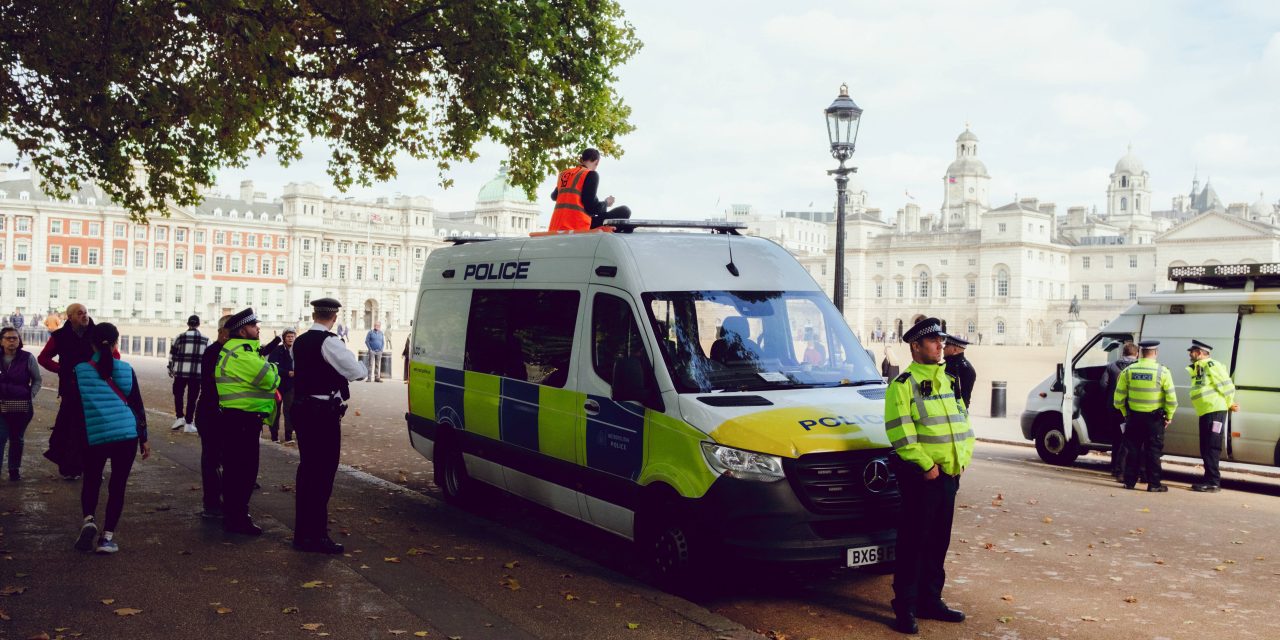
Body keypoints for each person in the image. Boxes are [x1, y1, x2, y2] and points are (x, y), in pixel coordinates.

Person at [883, 317, 973, 634]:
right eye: (933, 341)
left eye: (941, 340)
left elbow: (962, 422)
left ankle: (930, 600)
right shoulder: (904, 384)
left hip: (949, 474)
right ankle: (904, 606)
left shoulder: (948, 379)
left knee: (938, 542)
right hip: (923, 477)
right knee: (914, 542)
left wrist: (962, 457)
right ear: (916, 346)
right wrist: (925, 464)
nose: (940, 346)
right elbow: (901, 432)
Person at [291, 298, 367, 553]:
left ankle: (302, 533)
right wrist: (362, 364)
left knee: (307, 472)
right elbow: (356, 372)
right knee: (323, 474)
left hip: (302, 409)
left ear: (314, 314)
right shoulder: (330, 342)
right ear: (334, 317)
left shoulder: (300, 341)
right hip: (322, 414)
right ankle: (317, 535)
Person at [68, 323, 150, 554]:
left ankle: (89, 520)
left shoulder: (80, 370)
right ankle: (107, 538)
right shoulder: (126, 369)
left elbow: (73, 408)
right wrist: (143, 438)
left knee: (92, 480)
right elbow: (137, 405)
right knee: (118, 485)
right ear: (117, 342)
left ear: (92, 343)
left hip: (94, 435)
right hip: (126, 434)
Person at [215, 308, 281, 535]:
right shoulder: (241, 354)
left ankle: (234, 515)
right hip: (242, 420)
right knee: (244, 472)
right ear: (243, 331)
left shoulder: (237, 351)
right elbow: (270, 379)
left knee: (236, 471)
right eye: (254, 326)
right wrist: (274, 367)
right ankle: (238, 518)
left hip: (237, 419)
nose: (258, 328)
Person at [39, 303, 116, 480]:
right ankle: (71, 468)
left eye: (86, 312)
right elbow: (43, 358)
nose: (85, 316)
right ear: (70, 317)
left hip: (95, 389)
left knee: (94, 429)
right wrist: (62, 369)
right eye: (79, 313)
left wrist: (103, 369)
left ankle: (93, 468)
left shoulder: (98, 333)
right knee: (70, 430)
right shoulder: (59, 336)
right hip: (71, 388)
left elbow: (115, 355)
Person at [1113, 340, 1177, 492]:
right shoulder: (1163, 372)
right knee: (1153, 451)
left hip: (1134, 418)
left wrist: (1126, 414)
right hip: (1154, 420)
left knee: (1132, 449)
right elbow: (1172, 399)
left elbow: (1118, 399)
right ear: (1155, 353)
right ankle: (1154, 484)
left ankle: (1129, 482)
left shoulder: (1128, 371)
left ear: (1141, 353)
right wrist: (1169, 416)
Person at [1186, 340, 1238, 493]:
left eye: (1192, 351)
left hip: (1215, 411)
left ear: (1200, 353)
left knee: (1211, 447)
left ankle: (1213, 482)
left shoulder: (1211, 365)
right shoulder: (1199, 367)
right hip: (1207, 411)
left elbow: (1227, 385)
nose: (1190, 354)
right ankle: (1209, 479)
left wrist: (1230, 403)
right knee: (1206, 447)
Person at [195, 315, 232, 519]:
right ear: (222, 332)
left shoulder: (223, 351)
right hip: (210, 414)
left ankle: (220, 500)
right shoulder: (213, 352)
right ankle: (211, 503)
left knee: (221, 458)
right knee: (210, 460)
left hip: (217, 413)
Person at [548, 148, 633, 231]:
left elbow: (554, 196)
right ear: (597, 162)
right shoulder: (590, 174)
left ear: (581, 159)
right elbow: (591, 207)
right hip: (578, 225)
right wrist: (606, 203)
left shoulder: (564, 174)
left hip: (556, 226)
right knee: (625, 211)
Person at [0, 327, 41, 481]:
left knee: (17, 438)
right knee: (1, 437)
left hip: (22, 406)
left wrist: (30, 396)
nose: (12, 341)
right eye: (8, 338)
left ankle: (14, 469)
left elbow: (37, 380)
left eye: (15, 338)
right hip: (0, 405)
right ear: (1, 341)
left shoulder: (27, 358)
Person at [1099, 342, 1138, 479]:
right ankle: (1125, 468)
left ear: (1122, 353)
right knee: (1129, 440)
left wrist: (1109, 398)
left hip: (1114, 407)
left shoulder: (1112, 366)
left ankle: (1114, 467)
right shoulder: (1137, 368)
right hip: (1130, 409)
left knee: (1116, 439)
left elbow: (1103, 385)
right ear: (1136, 354)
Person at [167, 315, 208, 433]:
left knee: (178, 394)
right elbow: (208, 359)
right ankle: (189, 423)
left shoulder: (179, 337)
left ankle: (179, 417)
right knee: (192, 398)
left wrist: (170, 370)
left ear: (188, 324)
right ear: (199, 324)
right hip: (196, 374)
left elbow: (172, 356)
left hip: (180, 372)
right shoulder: (206, 339)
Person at [267, 329, 297, 443]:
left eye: (292, 336)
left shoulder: (296, 350)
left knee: (289, 411)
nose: (290, 338)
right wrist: (286, 373)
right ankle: (274, 436)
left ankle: (288, 436)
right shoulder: (277, 350)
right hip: (277, 386)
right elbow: (272, 366)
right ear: (284, 338)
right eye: (288, 336)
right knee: (275, 411)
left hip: (291, 386)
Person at [942, 336, 977, 409]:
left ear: (955, 350)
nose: (943, 348)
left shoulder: (965, 368)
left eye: (947, 346)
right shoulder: (949, 364)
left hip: (955, 410)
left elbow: (964, 397)